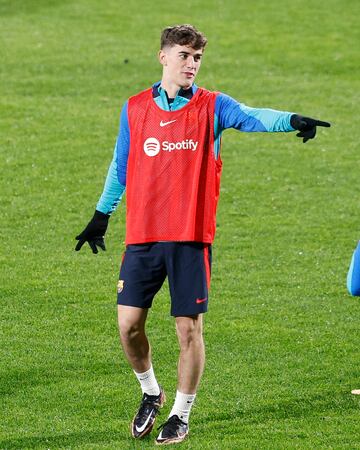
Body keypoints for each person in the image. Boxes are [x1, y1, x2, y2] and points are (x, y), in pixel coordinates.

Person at [75, 24, 330, 445]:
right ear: (163, 57)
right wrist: (101, 214)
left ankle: (181, 413)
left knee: (188, 330)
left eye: (197, 58)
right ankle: (151, 393)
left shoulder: (213, 106)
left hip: (190, 237)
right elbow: (122, 165)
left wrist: (291, 120)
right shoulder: (136, 107)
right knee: (128, 326)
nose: (191, 64)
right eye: (184, 55)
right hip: (143, 235)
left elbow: (252, 117)